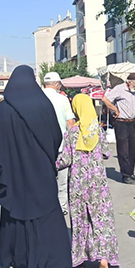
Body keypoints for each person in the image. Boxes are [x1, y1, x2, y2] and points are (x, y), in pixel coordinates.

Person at [0, 65, 71, 268]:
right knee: (45, 214)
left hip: (15, 174)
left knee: (20, 215)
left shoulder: (5, 109)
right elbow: (56, 137)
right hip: (41, 171)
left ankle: (24, 262)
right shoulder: (43, 104)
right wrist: (46, 157)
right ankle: (48, 264)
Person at [56, 94, 120, 268]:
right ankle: (104, 263)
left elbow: (65, 160)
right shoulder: (98, 131)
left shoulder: (72, 133)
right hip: (98, 183)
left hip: (78, 184)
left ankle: (80, 257)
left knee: (81, 220)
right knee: (101, 220)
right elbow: (106, 154)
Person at [42, 72, 76, 225]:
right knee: (62, 182)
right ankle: (61, 208)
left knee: (45, 179)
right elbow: (70, 122)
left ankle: (45, 207)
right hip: (61, 146)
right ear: (57, 85)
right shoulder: (62, 99)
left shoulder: (37, 98)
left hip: (41, 148)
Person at [102, 73, 135, 184]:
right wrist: (115, 109)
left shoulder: (133, 91)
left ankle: (131, 172)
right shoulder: (119, 89)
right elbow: (105, 99)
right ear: (130, 82)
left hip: (132, 122)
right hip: (121, 122)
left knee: (132, 149)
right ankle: (125, 175)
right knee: (123, 149)